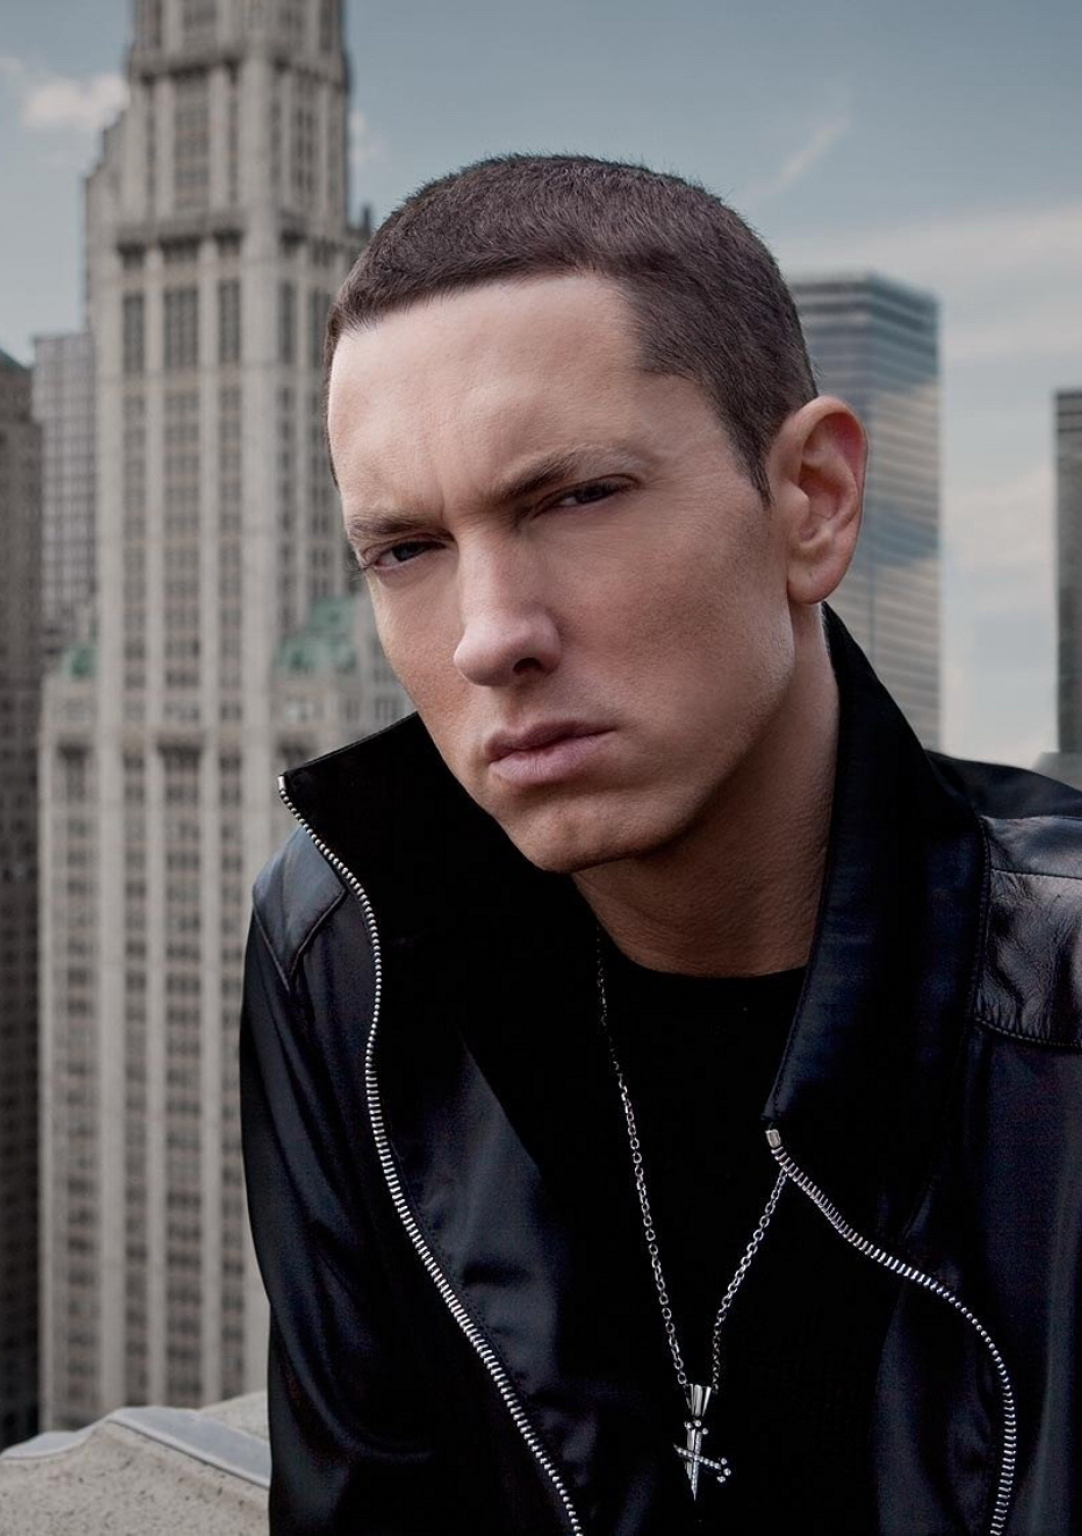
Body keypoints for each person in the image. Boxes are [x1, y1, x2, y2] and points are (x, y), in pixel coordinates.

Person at [240, 154, 1082, 1535]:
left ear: (812, 500)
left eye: (576, 497)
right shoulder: (348, 943)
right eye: (405, 548)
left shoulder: (1059, 1000)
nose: (488, 635)